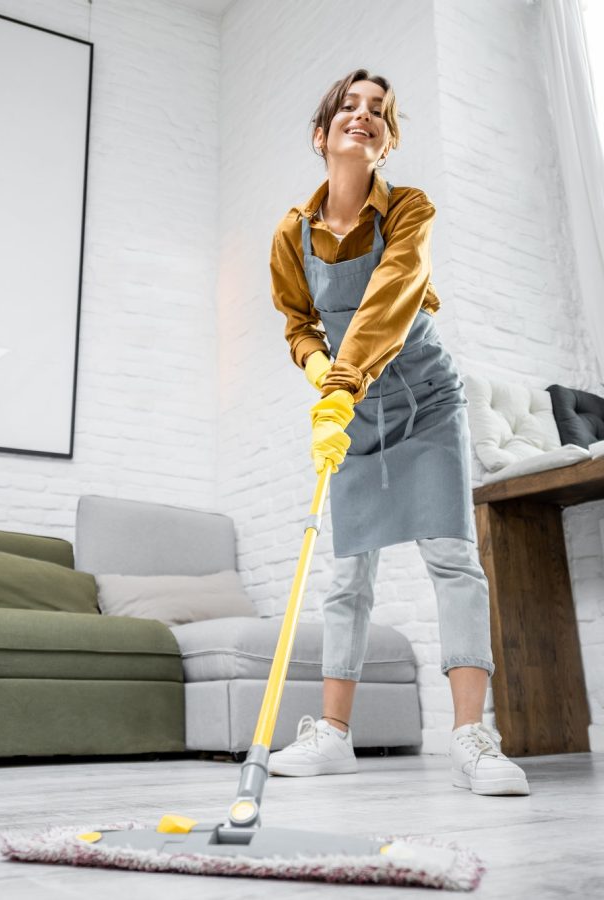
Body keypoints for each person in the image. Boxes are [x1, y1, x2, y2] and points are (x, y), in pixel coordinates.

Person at [267, 69, 529, 796]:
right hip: (351, 413)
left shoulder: (408, 210)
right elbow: (297, 323)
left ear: (387, 140)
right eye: (349, 106)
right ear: (323, 135)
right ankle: (333, 736)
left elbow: (389, 298)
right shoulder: (292, 233)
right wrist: (321, 372)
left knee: (453, 559)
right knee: (346, 576)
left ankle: (474, 738)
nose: (364, 115)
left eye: (378, 110)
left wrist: (341, 380)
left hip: (426, 403)